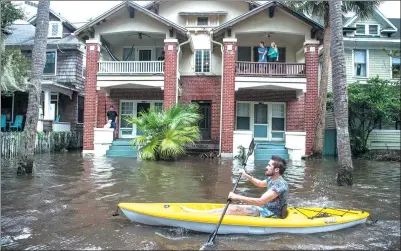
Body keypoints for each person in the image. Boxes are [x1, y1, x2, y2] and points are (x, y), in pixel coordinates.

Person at [181, 155, 288, 218]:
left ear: (276, 170)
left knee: (233, 209)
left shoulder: (280, 184)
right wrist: (246, 175)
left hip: (272, 214)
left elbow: (260, 201)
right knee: (231, 208)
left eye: (269, 165)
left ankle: (199, 215)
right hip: (264, 209)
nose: (266, 167)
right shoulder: (272, 178)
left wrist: (237, 197)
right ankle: (201, 214)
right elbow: (260, 183)